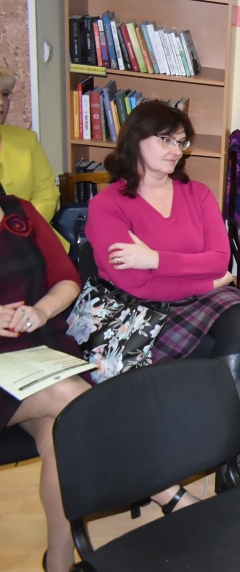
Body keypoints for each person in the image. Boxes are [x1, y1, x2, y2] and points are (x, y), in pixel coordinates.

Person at [85, 102, 240, 448]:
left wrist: (153, 257)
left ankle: (234, 453)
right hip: (142, 314)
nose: (175, 151)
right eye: (166, 140)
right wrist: (206, 282)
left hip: (194, 302)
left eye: (180, 143)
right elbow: (137, 284)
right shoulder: (107, 206)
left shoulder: (196, 193)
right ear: (136, 139)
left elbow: (219, 260)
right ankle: (230, 452)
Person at [0, 195, 91, 572]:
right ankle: (166, 492)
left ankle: (58, 561)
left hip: (38, 344)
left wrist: (40, 310)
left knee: (61, 435)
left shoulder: (18, 209)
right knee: (73, 403)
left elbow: (66, 278)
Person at [0, 67, 60, 223]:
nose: (1, 102)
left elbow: (47, 193)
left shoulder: (27, 140)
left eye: (5, 94)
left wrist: (23, 226)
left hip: (30, 237)